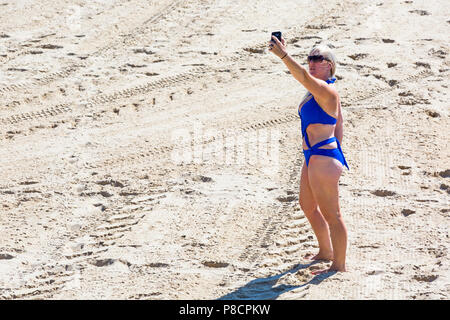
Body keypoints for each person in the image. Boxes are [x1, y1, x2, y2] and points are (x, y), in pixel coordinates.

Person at [268, 35, 349, 274]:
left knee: (332, 215)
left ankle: (339, 265)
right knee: (307, 205)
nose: (311, 63)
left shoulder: (326, 90)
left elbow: (302, 75)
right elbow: (340, 123)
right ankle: (326, 252)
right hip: (314, 156)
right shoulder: (318, 91)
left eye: (317, 58)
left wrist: (283, 55)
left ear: (330, 65)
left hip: (323, 157)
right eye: (309, 58)